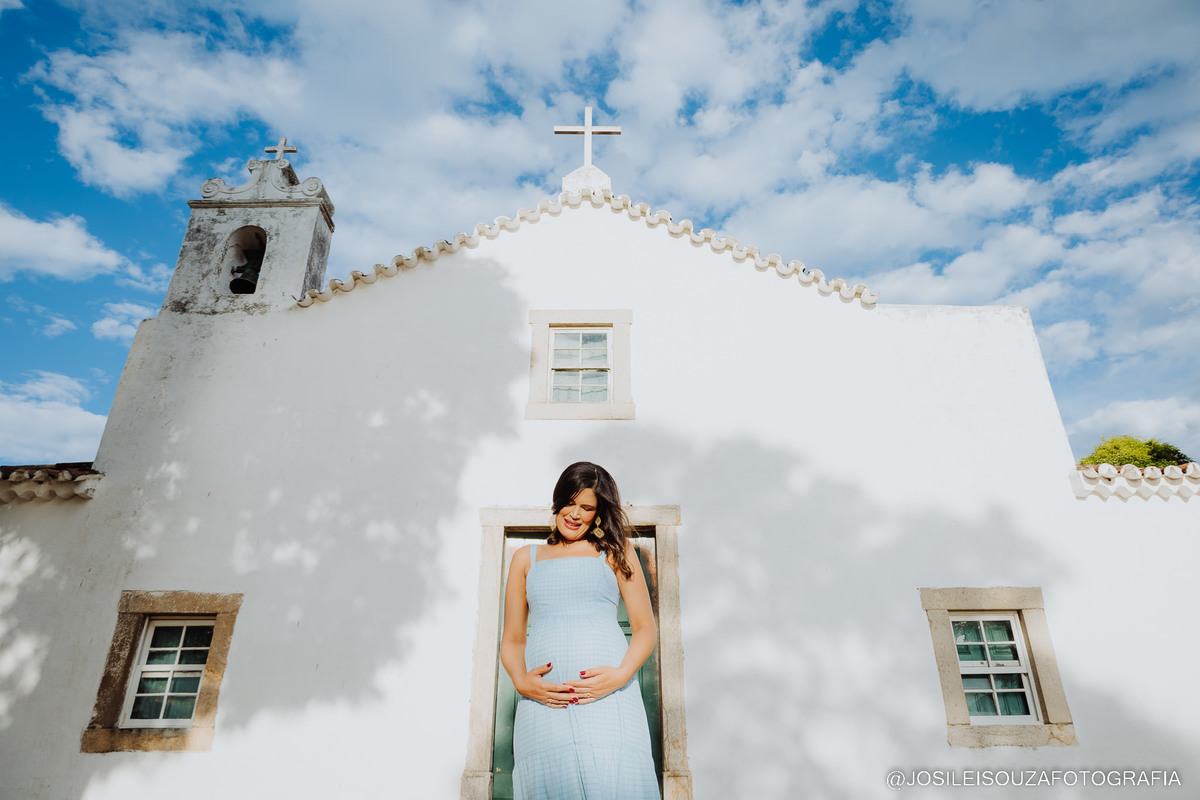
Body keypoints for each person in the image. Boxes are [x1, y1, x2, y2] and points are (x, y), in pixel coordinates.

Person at [500, 462, 661, 800]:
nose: (575, 514)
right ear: (557, 501)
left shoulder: (616, 552)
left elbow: (645, 629)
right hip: (543, 703)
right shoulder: (525, 559)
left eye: (586, 507)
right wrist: (520, 680)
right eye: (569, 502)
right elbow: (513, 638)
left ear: (598, 512)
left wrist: (620, 676)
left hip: (610, 699)